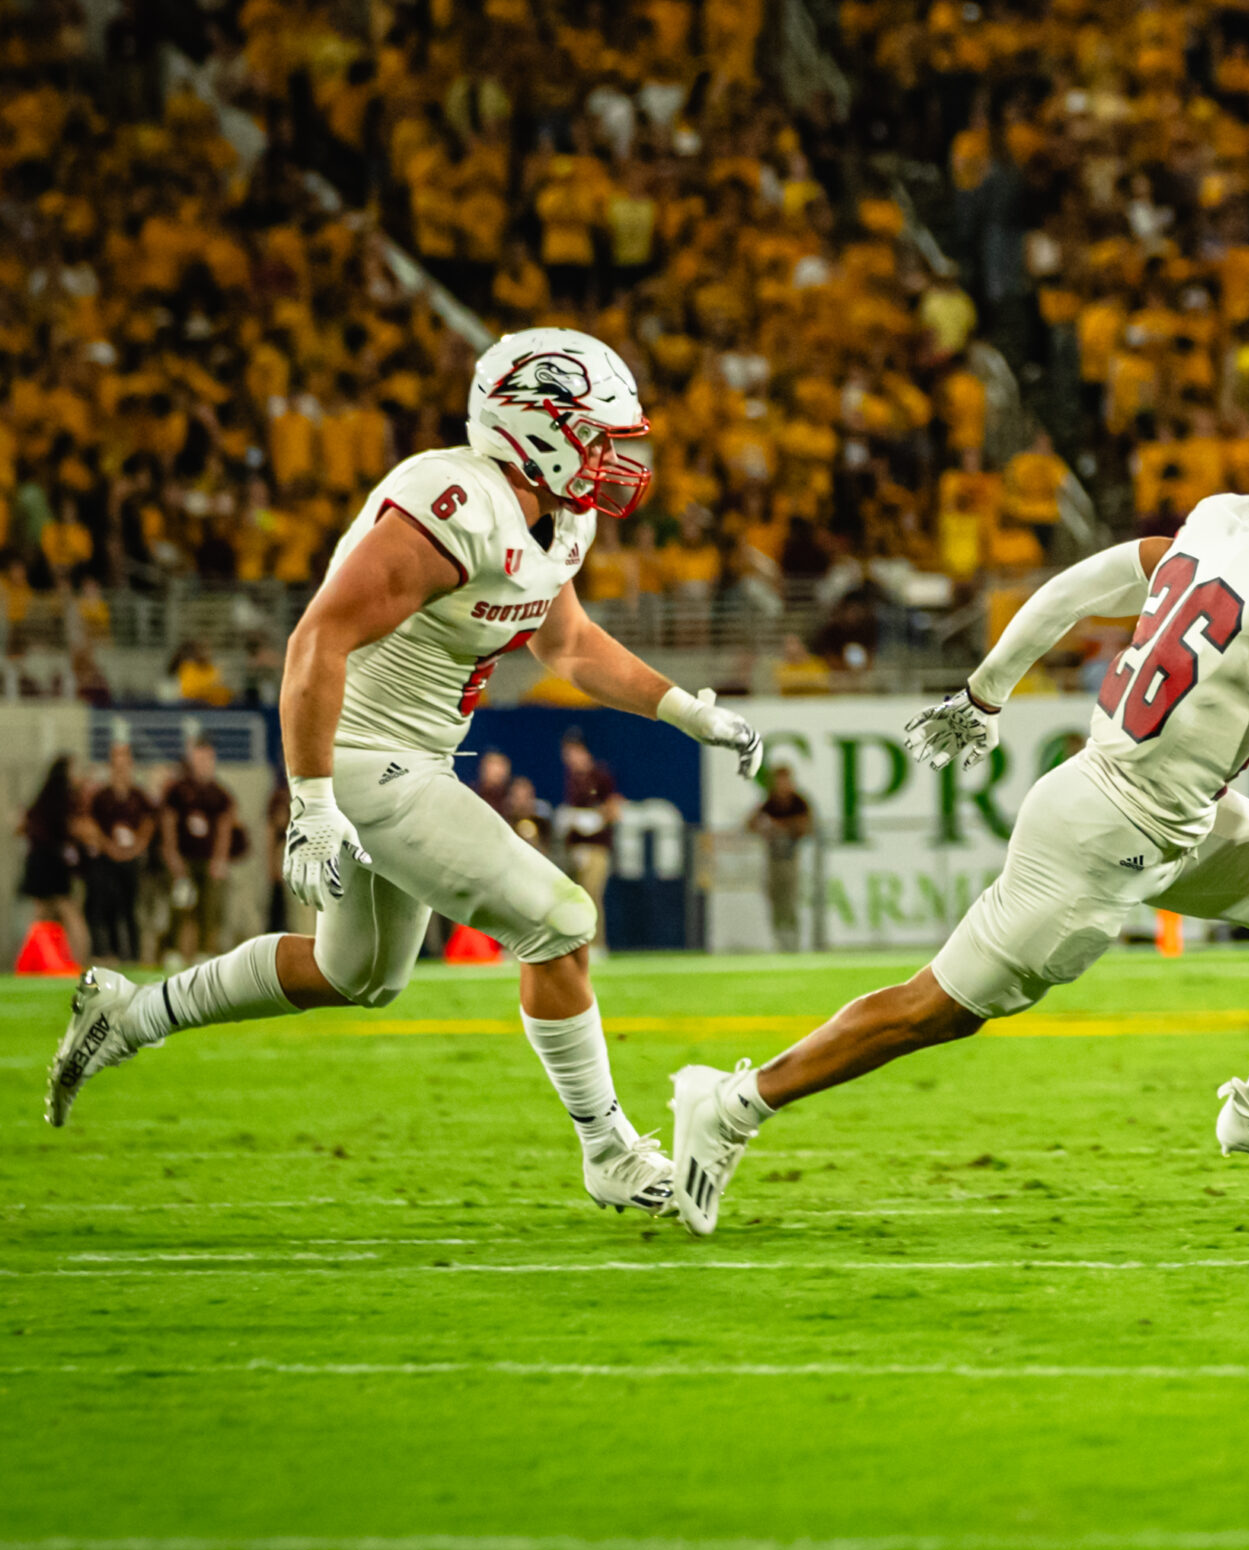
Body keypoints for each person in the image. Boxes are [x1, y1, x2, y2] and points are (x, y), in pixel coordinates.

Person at [667, 413, 1249, 1236]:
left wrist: (986, 689)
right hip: (1106, 833)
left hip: (1176, 810)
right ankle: (730, 1104)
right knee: (935, 1010)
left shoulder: (1227, 519)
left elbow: (1077, 587)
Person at [45, 329, 765, 1223]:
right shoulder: (454, 500)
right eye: (596, 433)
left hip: (412, 760)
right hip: (357, 759)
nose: (612, 458)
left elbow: (569, 645)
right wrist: (310, 800)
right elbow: (318, 638)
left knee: (359, 975)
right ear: (537, 428)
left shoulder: (558, 516)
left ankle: (130, 1014)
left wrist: (686, 710)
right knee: (561, 922)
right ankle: (609, 1151)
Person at [158, 736, 238, 965]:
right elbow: (169, 826)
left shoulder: (219, 793)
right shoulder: (178, 791)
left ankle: (205, 951)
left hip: (208, 860)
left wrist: (220, 860)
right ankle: (172, 950)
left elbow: (224, 829)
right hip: (184, 858)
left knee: (209, 908)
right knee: (180, 906)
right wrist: (173, 858)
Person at [80, 742, 156, 965]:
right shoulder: (102, 796)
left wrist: (136, 848)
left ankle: (132, 955)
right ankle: (109, 953)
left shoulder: (138, 795)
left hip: (131, 860)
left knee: (131, 909)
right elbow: (89, 824)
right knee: (107, 907)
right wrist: (108, 846)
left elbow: (148, 823)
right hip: (107, 859)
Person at [18, 756, 89, 966]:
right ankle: (78, 960)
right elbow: (73, 829)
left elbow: (26, 825)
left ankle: (33, 960)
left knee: (42, 915)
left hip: (40, 862)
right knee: (68, 912)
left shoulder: (43, 799)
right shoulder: (65, 800)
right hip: (54, 863)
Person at [557, 729, 621, 955]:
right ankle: (580, 943)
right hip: (576, 849)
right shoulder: (572, 778)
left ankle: (597, 944)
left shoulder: (600, 775)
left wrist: (595, 819)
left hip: (596, 848)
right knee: (577, 897)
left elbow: (616, 808)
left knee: (592, 895)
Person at [748, 762, 817, 950]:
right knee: (775, 898)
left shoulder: (798, 802)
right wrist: (766, 828)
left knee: (790, 899)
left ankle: (794, 941)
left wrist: (782, 826)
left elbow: (807, 826)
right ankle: (779, 940)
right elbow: (751, 824)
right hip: (773, 859)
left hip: (791, 858)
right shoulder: (770, 803)